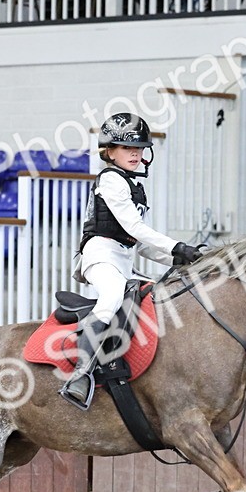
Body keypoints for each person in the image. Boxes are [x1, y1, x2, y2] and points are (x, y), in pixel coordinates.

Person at [60, 111, 204, 410]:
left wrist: (180, 257)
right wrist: (178, 245)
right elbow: (135, 228)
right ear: (109, 151)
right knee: (111, 296)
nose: (135, 153)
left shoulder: (134, 186)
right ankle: (80, 374)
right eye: (127, 148)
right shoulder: (111, 180)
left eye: (139, 148)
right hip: (100, 256)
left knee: (160, 297)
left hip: (124, 259)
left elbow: (140, 245)